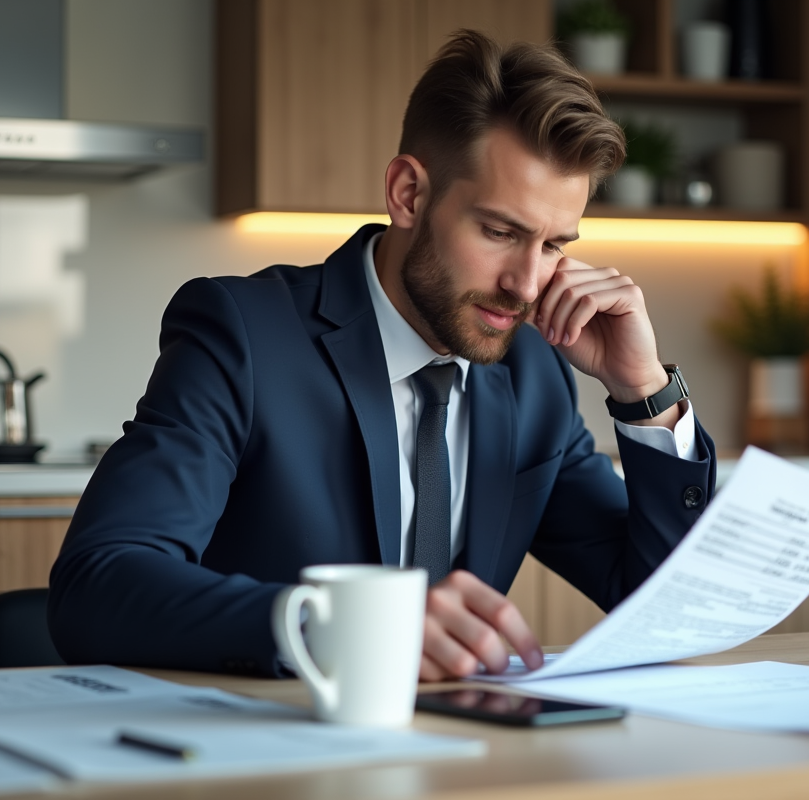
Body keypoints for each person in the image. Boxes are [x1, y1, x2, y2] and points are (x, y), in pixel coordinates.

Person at [48, 30, 717, 681]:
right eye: (499, 231)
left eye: (553, 245)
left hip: (460, 743)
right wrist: (335, 626)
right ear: (408, 194)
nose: (526, 284)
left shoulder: (533, 372)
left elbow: (667, 610)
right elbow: (97, 585)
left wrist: (644, 392)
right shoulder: (244, 336)